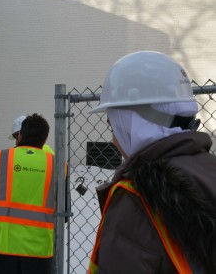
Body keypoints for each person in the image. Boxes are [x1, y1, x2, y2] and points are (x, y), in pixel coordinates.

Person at [88, 51, 216, 273]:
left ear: (131, 121)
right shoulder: (208, 170)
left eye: (113, 125)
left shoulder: (137, 200)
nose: (113, 139)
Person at [0, 113, 55, 274]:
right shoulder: (56, 164)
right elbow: (63, 215)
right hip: (39, 252)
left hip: (1, 250)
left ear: (20, 136)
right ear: (44, 140)